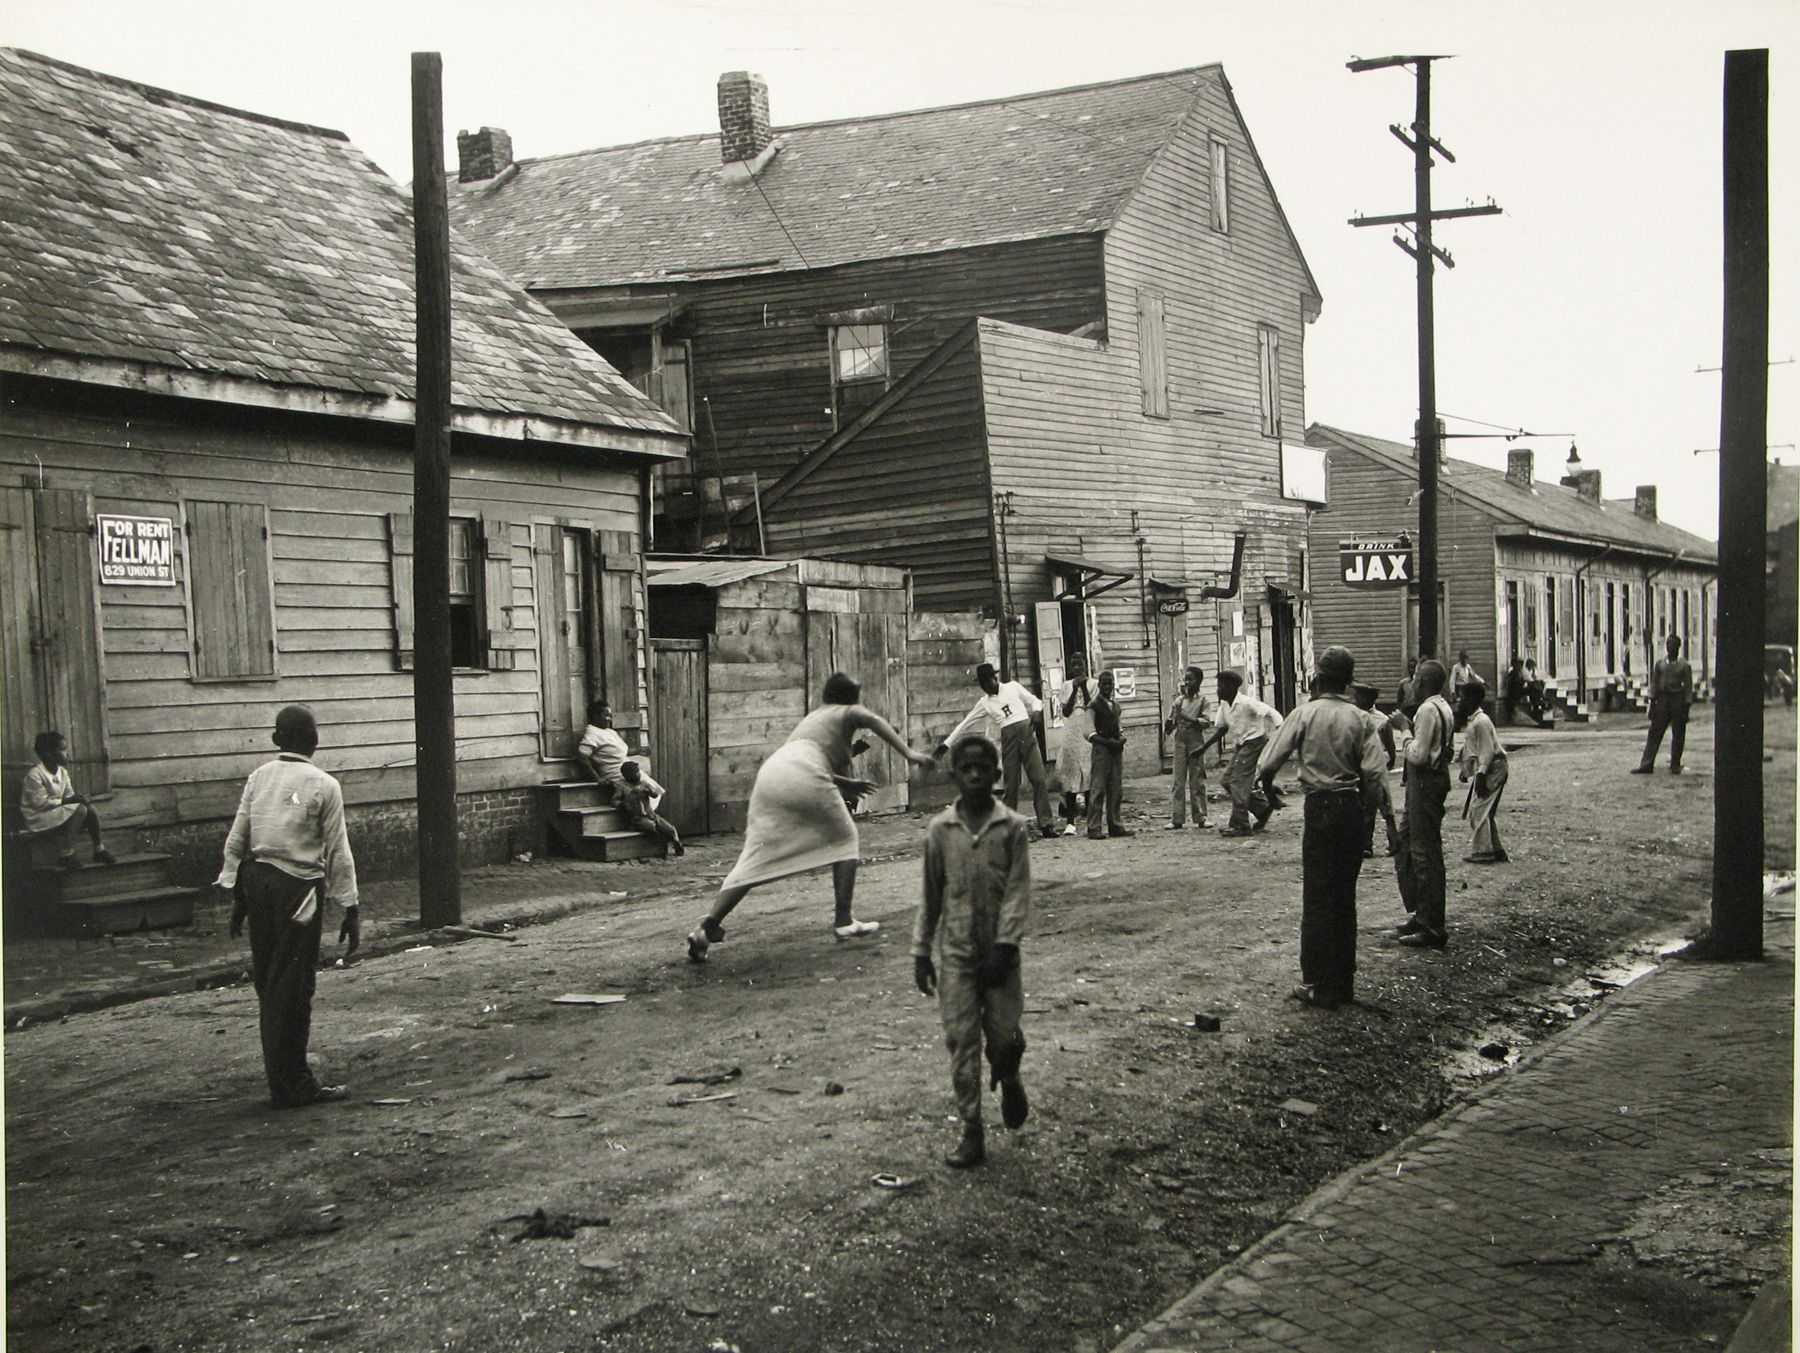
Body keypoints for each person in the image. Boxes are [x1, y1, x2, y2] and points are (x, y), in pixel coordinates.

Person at [688, 673, 935, 961]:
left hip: (772, 775)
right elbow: (874, 723)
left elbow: (803, 759)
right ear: (851, 696)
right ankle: (844, 921)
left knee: (755, 856)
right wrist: (910, 753)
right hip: (804, 773)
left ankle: (706, 928)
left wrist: (844, 783)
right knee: (846, 839)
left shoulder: (814, 717)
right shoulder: (847, 711)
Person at [215, 705, 360, 1109]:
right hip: (297, 888)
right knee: (294, 986)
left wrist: (238, 895)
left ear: (277, 740)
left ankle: (281, 1080)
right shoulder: (324, 784)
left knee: (269, 982)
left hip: (258, 881)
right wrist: (350, 907)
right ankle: (294, 1083)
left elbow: (238, 838)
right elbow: (338, 852)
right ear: (314, 740)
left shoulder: (260, 777)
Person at [913, 734, 1031, 1168]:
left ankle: (1009, 1072)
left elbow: (1018, 893)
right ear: (953, 775)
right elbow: (930, 894)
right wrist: (921, 950)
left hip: (1001, 954)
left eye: (985, 767)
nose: (976, 774)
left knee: (1001, 1036)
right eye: (967, 768)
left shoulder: (1013, 828)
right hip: (957, 954)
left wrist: (1006, 944)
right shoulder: (940, 832)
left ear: (998, 774)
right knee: (961, 1041)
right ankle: (971, 1131)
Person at [1257, 647, 1387, 1010]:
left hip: (1320, 809)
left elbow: (1268, 764)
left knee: (1317, 898)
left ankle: (1318, 983)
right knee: (1345, 900)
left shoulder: (1305, 714)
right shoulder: (1361, 719)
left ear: (1319, 677)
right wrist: (1369, 817)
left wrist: (1269, 794)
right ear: (1347, 681)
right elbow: (1376, 776)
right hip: (1351, 808)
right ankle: (1343, 984)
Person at [937, 664, 1057, 839]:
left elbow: (1035, 700)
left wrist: (1037, 712)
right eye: (983, 684)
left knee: (1038, 779)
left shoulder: (1012, 687)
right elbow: (966, 723)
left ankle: (1046, 824)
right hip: (1009, 739)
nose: (987, 686)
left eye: (989, 681)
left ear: (995, 678)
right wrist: (946, 744)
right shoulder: (985, 702)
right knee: (1012, 784)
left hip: (1027, 735)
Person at [1395, 660, 1455, 949]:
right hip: (1433, 778)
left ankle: (1432, 924)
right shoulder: (1443, 707)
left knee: (1424, 850)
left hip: (1425, 780)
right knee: (1409, 840)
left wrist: (1404, 732)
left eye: (1418, 680)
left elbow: (1417, 755)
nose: (1413, 684)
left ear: (1428, 682)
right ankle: (1421, 912)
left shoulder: (1427, 710)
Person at [1199, 669, 1280, 836]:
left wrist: (1281, 732)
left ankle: (1240, 824)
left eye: (1221, 686)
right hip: (1241, 745)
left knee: (1238, 782)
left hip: (1255, 742)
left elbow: (1272, 713)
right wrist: (1204, 747)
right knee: (1227, 781)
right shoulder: (1224, 705)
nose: (1218, 690)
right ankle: (1263, 809)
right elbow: (1221, 729)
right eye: (1218, 686)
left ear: (1232, 687)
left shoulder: (1246, 702)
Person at [19, 731, 114, 869]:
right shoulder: (35, 775)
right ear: (49, 753)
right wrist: (67, 802)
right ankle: (66, 853)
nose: (67, 753)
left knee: (89, 809)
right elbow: (39, 804)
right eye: (63, 749)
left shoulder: (62, 772)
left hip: (55, 811)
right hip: (38, 816)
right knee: (80, 809)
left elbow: (69, 794)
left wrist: (79, 799)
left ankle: (99, 849)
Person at [1457, 681, 1509, 864]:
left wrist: (1480, 774)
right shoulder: (1474, 721)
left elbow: (1487, 751)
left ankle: (1483, 852)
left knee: (1478, 810)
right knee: (1486, 812)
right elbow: (1471, 749)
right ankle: (1496, 850)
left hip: (1493, 768)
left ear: (1471, 699)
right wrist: (1465, 770)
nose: (1459, 701)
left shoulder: (1481, 722)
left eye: (1462, 697)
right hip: (1489, 768)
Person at [1350, 684, 1400, 858]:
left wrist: (1391, 758)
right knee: (1365, 806)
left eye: (1359, 697)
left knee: (1383, 804)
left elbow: (1389, 743)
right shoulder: (1353, 716)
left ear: (1369, 700)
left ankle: (1392, 841)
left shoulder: (1381, 720)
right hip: (1360, 766)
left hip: (1376, 766)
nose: (1355, 700)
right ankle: (1366, 843)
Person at [1163, 665, 1216, 829]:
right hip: (1180, 740)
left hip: (1195, 740)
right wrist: (1169, 724)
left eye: (1191, 679)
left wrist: (1190, 719)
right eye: (1186, 679)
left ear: (1199, 681)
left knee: (1197, 779)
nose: (1187, 683)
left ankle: (1201, 816)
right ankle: (1177, 818)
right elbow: (1171, 723)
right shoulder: (1179, 701)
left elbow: (1206, 722)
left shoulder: (1203, 701)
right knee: (1178, 780)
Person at [1633, 634, 1694, 774]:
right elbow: (1654, 683)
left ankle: (1675, 764)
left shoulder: (1684, 665)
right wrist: (1652, 702)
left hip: (1677, 700)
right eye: (1668, 644)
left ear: (1678, 647)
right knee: (1654, 732)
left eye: (1673, 645)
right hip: (1662, 700)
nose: (1669, 647)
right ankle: (1646, 764)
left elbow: (1688, 687)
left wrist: (1687, 705)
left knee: (1678, 734)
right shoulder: (1660, 664)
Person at [1056, 654, 1101, 835]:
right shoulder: (1066, 686)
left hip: (1087, 726)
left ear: (1086, 665)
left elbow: (1093, 706)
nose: (1077, 667)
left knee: (1088, 769)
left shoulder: (1094, 684)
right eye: (1073, 664)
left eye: (1080, 664)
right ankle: (1070, 820)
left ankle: (1092, 818)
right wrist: (1075, 690)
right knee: (1071, 770)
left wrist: (1083, 686)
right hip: (1072, 729)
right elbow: (1066, 711)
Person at [1084, 669, 1132, 839]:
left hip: (1115, 750)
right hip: (1101, 750)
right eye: (1104, 684)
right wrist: (1106, 742)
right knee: (1098, 789)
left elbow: (1120, 727)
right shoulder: (1093, 706)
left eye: (1110, 684)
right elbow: (1088, 732)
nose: (1107, 687)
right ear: (1099, 685)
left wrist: (1121, 739)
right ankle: (1094, 827)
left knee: (1116, 789)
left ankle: (1115, 824)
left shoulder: (1116, 706)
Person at [617, 760, 683, 856]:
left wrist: (647, 790)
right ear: (627, 775)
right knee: (650, 827)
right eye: (635, 773)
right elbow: (615, 800)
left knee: (670, 828)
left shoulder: (643, 784)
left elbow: (655, 794)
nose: (638, 774)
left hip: (651, 814)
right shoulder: (622, 787)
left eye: (638, 772)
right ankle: (660, 845)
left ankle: (676, 842)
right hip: (637, 817)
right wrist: (623, 804)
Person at [576, 700, 632, 795]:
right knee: (640, 794)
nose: (609, 719)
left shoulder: (609, 732)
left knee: (653, 791)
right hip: (614, 774)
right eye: (606, 715)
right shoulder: (592, 733)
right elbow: (582, 757)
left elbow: (618, 751)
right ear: (596, 716)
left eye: (610, 716)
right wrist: (597, 778)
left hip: (627, 771)